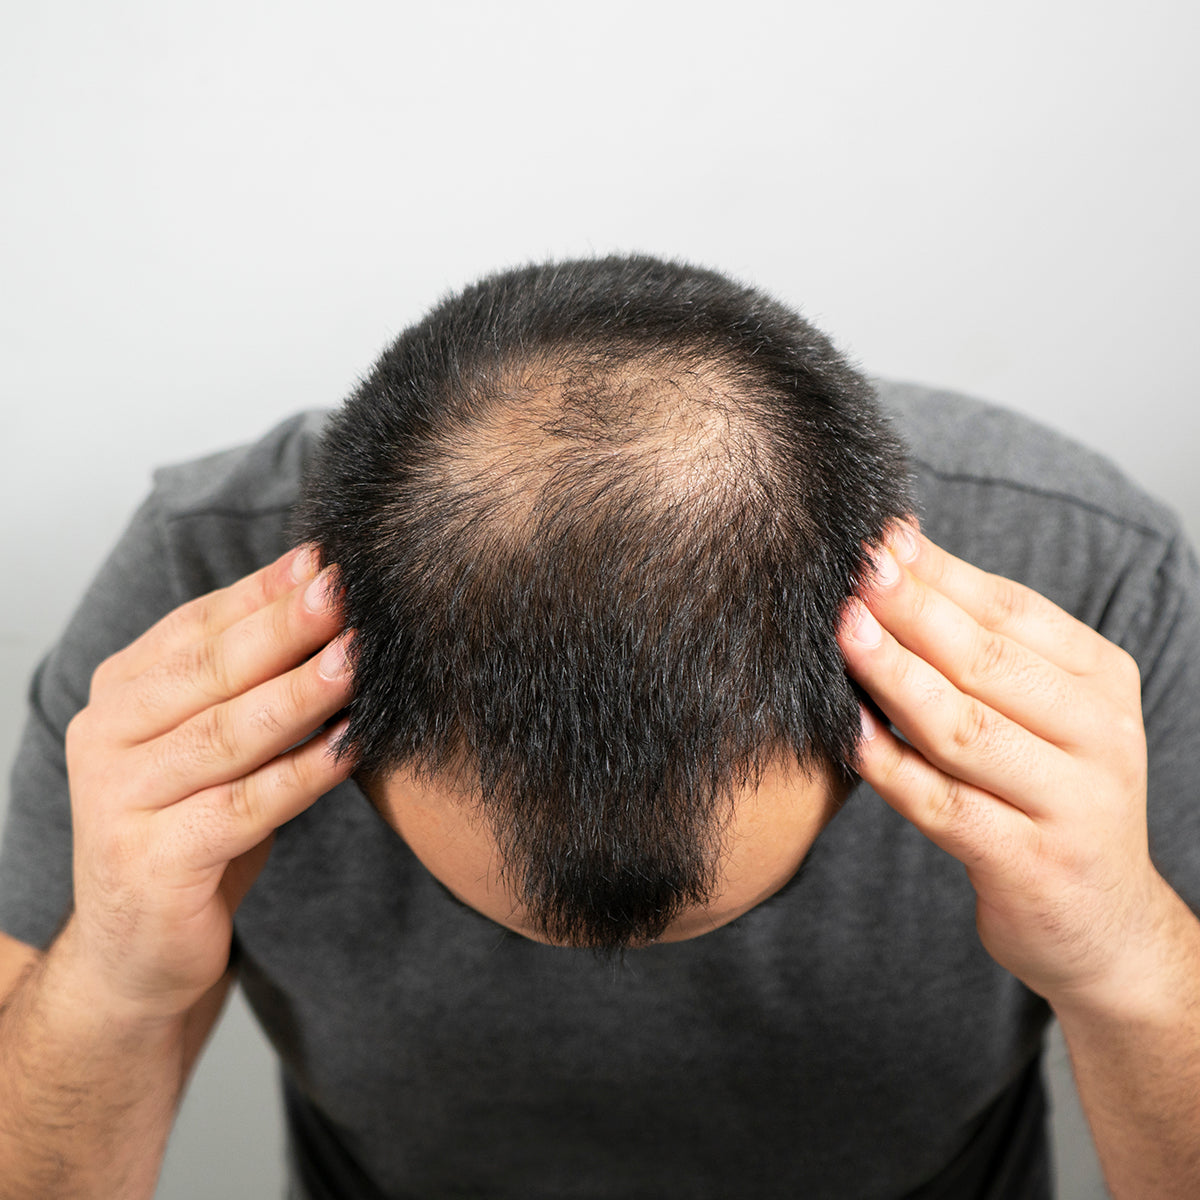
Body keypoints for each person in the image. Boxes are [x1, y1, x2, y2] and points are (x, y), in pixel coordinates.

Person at [0, 256, 1197, 1199]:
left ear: (882, 688)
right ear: (333, 697)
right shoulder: (195, 624)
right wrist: (111, 983)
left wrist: (1131, 957)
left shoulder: (1088, 584)